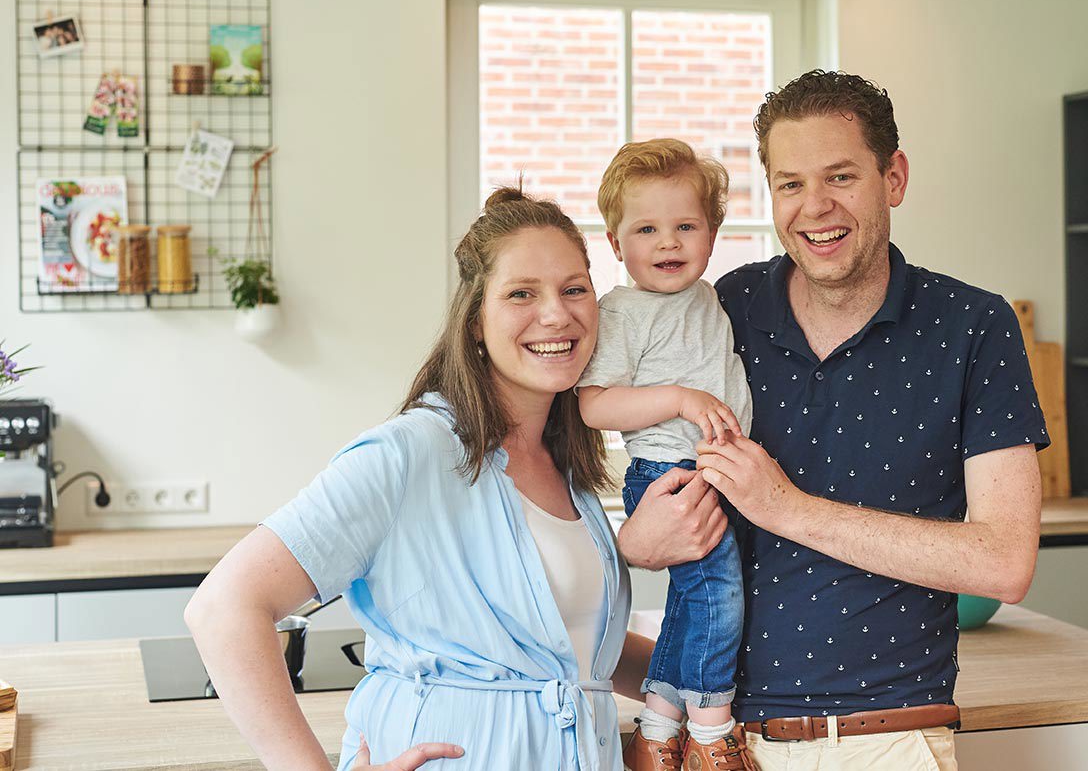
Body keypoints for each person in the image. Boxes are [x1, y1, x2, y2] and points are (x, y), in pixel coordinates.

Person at [186, 187, 729, 771]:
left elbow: (572, 648)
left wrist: (712, 685)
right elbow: (223, 610)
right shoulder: (410, 451)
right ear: (475, 320)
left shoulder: (567, 465)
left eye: (575, 289)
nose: (557, 314)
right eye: (522, 293)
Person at [618, 70, 1048, 770]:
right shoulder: (723, 308)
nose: (813, 207)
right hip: (721, 744)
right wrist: (633, 543)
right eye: (789, 183)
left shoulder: (972, 326)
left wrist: (783, 507)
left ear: (893, 178)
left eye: (840, 176)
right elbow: (617, 439)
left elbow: (1004, 562)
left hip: (892, 741)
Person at [576, 139, 755, 771]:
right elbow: (594, 405)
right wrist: (679, 398)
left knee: (689, 598)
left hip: (712, 470)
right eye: (647, 229)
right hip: (669, 475)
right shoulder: (624, 311)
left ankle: (657, 721)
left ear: (712, 234)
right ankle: (710, 728)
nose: (668, 242)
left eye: (686, 226)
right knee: (718, 595)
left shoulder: (708, 297)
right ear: (617, 244)